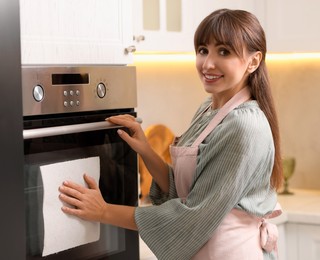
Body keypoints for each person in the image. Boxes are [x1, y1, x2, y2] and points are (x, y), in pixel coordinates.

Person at [59, 8, 283, 260]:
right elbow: (184, 191)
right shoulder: (210, 109)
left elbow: (192, 214)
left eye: (224, 52)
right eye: (202, 50)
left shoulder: (245, 127)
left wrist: (103, 212)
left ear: (253, 61)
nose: (208, 63)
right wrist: (144, 148)